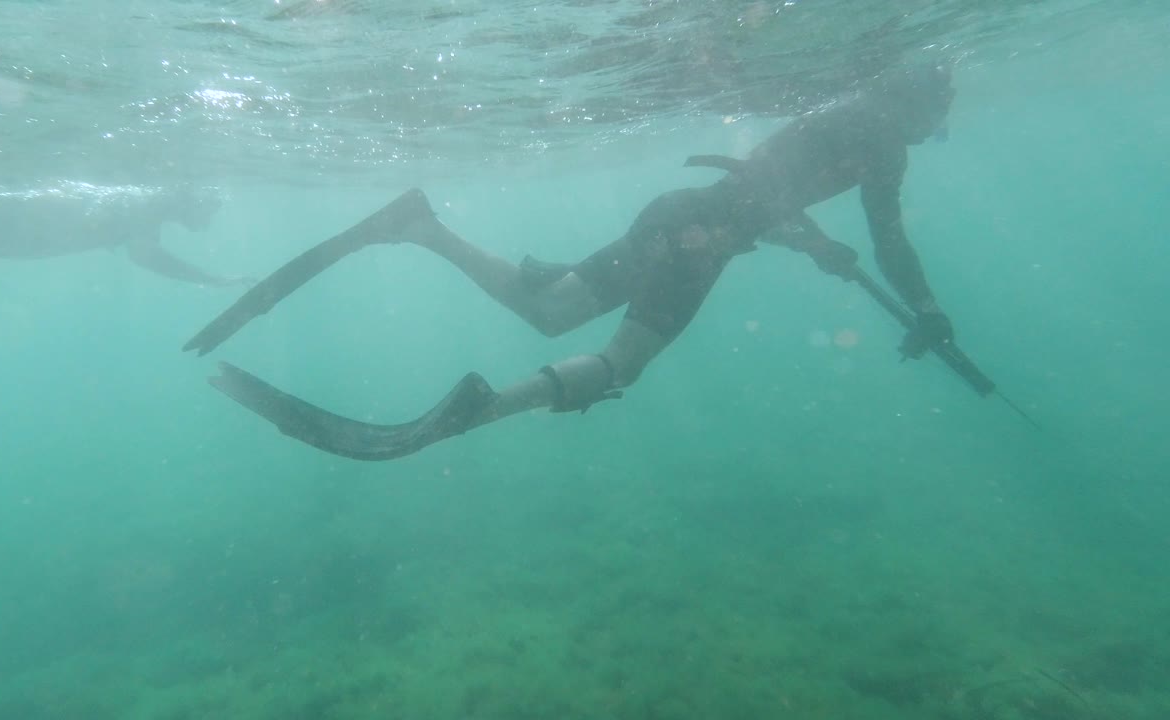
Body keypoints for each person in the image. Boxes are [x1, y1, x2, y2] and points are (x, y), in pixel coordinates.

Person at [188, 63, 960, 460]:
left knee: (551, 309)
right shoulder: (882, 139)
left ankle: (421, 226)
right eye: (938, 116)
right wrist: (900, 292)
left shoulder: (843, 116)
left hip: (678, 213)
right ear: (919, 104)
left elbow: (762, 183)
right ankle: (481, 412)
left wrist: (801, 237)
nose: (934, 131)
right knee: (623, 364)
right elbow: (862, 225)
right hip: (702, 237)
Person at [0, 181, 248, 286]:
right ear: (189, 200)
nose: (211, 217)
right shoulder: (145, 206)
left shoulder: (141, 206)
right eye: (210, 207)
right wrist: (212, 279)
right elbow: (147, 257)